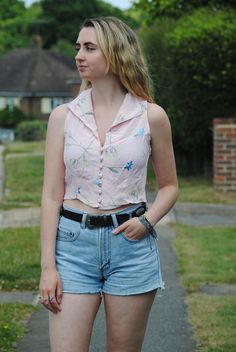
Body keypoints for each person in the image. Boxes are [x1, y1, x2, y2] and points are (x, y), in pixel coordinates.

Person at [39, 16, 178, 352]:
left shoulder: (151, 116)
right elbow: (50, 195)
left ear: (116, 54)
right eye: (77, 48)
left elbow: (170, 186)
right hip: (72, 247)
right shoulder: (63, 117)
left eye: (89, 48)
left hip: (130, 249)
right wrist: (48, 267)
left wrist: (147, 221)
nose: (78, 56)